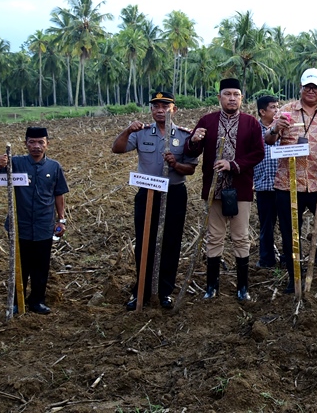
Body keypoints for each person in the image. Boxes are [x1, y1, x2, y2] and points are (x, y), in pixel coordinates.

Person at [112, 91, 199, 311]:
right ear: (151, 110)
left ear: (174, 109)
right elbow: (117, 148)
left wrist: (175, 165)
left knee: (171, 242)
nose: (160, 111)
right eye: (156, 107)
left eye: (165, 106)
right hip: (148, 194)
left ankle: (164, 291)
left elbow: (190, 169)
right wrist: (127, 130)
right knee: (145, 241)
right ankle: (140, 290)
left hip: (175, 194)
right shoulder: (141, 133)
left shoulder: (185, 136)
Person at [265, 68, 317, 292]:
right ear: (300, 88)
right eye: (307, 87)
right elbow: (269, 140)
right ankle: (294, 278)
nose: (311, 91)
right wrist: (275, 128)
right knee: (291, 232)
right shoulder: (286, 111)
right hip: (288, 183)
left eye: (315, 87)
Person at [185, 78, 265, 301]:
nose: (232, 98)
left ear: (241, 98)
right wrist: (194, 140)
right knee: (214, 237)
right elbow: (191, 152)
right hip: (214, 191)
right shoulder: (207, 121)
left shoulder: (251, 123)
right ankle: (212, 287)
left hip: (240, 190)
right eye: (227, 94)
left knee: (240, 237)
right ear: (219, 97)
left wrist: (234, 165)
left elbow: (258, 153)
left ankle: (243, 288)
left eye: (236, 94)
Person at [0, 126, 69, 314]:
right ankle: (17, 302)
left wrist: (61, 220)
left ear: (47, 144)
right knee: (20, 266)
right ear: (25, 143)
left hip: (44, 225)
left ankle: (37, 301)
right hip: (20, 225)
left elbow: (59, 194)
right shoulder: (15, 163)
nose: (36, 146)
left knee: (41, 266)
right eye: (32, 142)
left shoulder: (54, 167)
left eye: (41, 142)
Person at [254, 95, 282, 269]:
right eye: (273, 107)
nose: (277, 110)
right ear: (262, 111)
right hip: (264, 184)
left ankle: (289, 257)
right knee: (266, 225)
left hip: (284, 184)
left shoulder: (284, 128)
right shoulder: (253, 130)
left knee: (288, 224)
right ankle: (266, 259)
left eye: (278, 107)